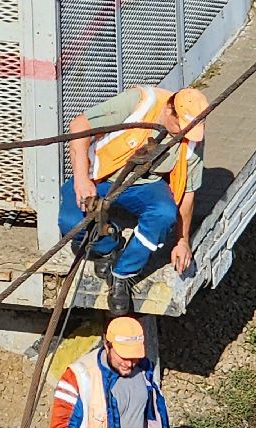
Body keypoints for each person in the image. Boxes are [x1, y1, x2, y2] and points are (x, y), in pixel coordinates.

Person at [59, 85, 210, 314]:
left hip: (145, 185)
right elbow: (79, 125)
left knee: (163, 214)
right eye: (181, 126)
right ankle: (108, 245)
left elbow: (188, 193)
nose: (183, 135)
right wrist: (81, 179)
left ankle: (123, 273)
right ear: (170, 110)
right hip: (101, 177)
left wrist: (182, 240)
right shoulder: (142, 102)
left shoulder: (192, 138)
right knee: (71, 222)